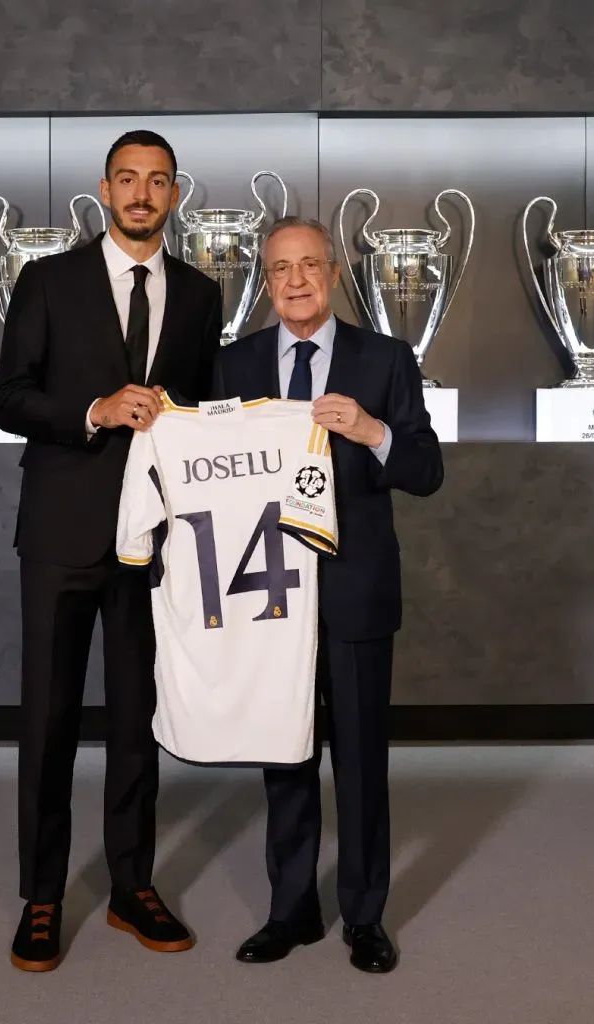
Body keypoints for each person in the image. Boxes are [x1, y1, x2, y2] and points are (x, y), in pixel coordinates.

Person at [0, 130, 222, 971]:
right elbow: (7, 399)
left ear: (174, 194)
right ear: (103, 189)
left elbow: (204, 414)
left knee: (135, 721)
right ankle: (42, 896)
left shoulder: (201, 293)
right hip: (60, 531)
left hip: (155, 542)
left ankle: (131, 884)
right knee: (48, 720)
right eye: (128, 178)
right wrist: (93, 408)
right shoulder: (46, 279)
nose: (141, 193)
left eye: (157, 181)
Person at [212, 216, 443, 974]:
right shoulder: (233, 364)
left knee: (359, 762)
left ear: (335, 274)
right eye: (280, 269)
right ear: (265, 281)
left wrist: (375, 431)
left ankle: (365, 917)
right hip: (267, 594)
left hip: (354, 592)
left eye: (309, 265)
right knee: (282, 756)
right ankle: (290, 911)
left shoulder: (384, 358)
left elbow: (423, 467)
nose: (296, 281)